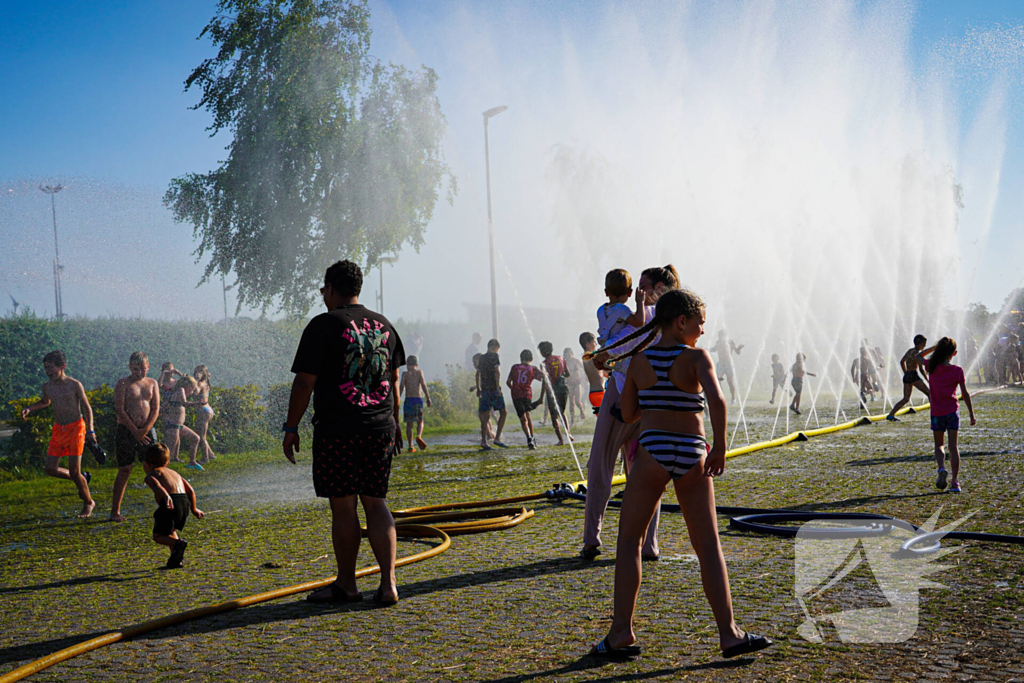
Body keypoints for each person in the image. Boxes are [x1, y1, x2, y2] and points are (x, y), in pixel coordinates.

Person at [588, 289, 772, 660]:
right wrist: (719, 447)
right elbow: (717, 401)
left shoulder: (640, 360)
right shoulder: (696, 357)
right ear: (681, 321)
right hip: (692, 453)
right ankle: (729, 633)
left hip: (653, 452)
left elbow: (628, 414)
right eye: (700, 324)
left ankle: (621, 632)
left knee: (628, 543)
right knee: (707, 545)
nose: (703, 332)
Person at [283, 260, 406, 605]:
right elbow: (393, 382)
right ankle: (388, 585)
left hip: (339, 428)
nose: (323, 296)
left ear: (332, 289)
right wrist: (394, 422)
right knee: (376, 502)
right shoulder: (385, 325)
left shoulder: (324, 325)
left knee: (344, 506)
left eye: (324, 290)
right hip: (380, 425)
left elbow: (305, 381)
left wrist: (291, 427)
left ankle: (348, 585)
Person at [579, 264, 679, 562]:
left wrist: (601, 356)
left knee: (601, 465)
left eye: (645, 286)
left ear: (660, 289)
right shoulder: (668, 322)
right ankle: (649, 543)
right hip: (651, 403)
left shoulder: (646, 319)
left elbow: (616, 349)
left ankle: (591, 539)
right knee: (647, 472)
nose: (640, 292)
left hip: (622, 397)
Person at [20, 350, 97, 518]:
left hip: (76, 428)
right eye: (46, 368)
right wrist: (29, 408)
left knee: (74, 471)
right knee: (50, 469)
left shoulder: (74, 384)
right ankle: (82, 478)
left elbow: (87, 408)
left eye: (51, 368)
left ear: (62, 367)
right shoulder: (46, 387)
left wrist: (90, 430)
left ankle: (88, 502)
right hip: (58, 429)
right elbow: (45, 402)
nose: (48, 372)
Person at [111, 351, 160, 523]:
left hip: (147, 430)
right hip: (126, 430)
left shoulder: (152, 383)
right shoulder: (123, 383)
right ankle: (115, 511)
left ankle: (164, 504)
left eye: (142, 369)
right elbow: (120, 409)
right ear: (130, 367)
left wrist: (145, 429)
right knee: (125, 469)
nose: (139, 372)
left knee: (154, 468)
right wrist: (134, 430)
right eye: (135, 369)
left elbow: (155, 409)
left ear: (148, 367)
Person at [143, 443, 204, 568]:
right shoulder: (175, 473)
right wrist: (193, 509)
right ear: (167, 463)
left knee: (158, 536)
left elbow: (156, 486)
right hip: (184, 502)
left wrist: (166, 496)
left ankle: (177, 544)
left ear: (147, 463)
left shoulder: (152, 474)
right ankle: (176, 559)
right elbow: (190, 490)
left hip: (170, 503)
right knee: (172, 531)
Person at [928, 337, 975, 494]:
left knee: (938, 445)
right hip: (952, 412)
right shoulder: (957, 370)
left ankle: (941, 468)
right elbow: (965, 394)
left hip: (936, 413)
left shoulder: (931, 367)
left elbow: (917, 357)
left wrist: (934, 348)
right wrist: (971, 414)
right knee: (953, 447)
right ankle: (955, 482)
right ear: (954, 354)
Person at [886, 335, 933, 421]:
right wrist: (927, 380)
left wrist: (905, 373)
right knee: (930, 394)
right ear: (920, 344)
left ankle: (891, 415)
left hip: (907, 375)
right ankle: (935, 414)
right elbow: (921, 369)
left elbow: (902, 361)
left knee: (906, 398)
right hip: (913, 376)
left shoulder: (910, 351)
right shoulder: (917, 354)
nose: (925, 346)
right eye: (924, 344)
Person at [507, 350, 546, 449]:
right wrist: (542, 396)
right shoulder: (532, 369)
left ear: (520, 358)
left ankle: (529, 439)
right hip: (527, 394)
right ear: (532, 359)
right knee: (527, 414)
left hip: (516, 395)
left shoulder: (515, 367)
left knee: (523, 418)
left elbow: (508, 382)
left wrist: (514, 389)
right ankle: (532, 438)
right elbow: (546, 378)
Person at [164, 375, 203, 470]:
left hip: (179, 426)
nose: (192, 392)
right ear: (187, 386)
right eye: (192, 389)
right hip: (173, 426)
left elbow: (165, 405)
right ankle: (162, 469)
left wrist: (162, 411)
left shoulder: (175, 392)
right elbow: (184, 403)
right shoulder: (180, 389)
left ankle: (192, 462)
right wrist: (197, 403)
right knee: (170, 451)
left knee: (196, 438)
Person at [539, 341, 573, 446]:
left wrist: (541, 396)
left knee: (554, 416)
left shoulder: (544, 364)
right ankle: (569, 434)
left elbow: (545, 381)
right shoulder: (561, 358)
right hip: (563, 388)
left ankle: (561, 440)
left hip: (553, 390)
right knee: (562, 412)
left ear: (543, 352)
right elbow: (567, 373)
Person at [476, 339, 508, 450]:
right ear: (495, 347)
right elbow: (496, 371)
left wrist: (478, 388)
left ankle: (484, 441)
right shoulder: (495, 356)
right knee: (503, 413)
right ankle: (497, 438)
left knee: (485, 416)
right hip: (493, 389)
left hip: (484, 389)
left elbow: (477, 373)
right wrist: (498, 387)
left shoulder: (482, 358)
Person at [399, 355, 431, 452]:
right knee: (420, 421)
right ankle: (419, 436)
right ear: (416, 365)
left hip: (409, 400)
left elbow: (401, 387)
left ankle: (410, 446)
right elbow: (424, 385)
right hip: (418, 399)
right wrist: (428, 398)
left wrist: (397, 399)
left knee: (409, 425)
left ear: (407, 364)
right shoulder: (419, 372)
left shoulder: (405, 374)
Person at [710, 330, 744, 404]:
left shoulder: (730, 342)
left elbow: (737, 352)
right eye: (719, 335)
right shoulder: (718, 342)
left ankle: (733, 398)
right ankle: (721, 396)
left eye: (721, 335)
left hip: (729, 364)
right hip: (721, 363)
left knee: (730, 382)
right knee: (717, 380)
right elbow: (714, 349)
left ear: (725, 335)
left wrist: (739, 349)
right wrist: (707, 349)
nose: (720, 337)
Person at [192, 365, 216, 465]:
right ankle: (210, 454)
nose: (196, 374)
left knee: (202, 437)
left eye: (199, 373)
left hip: (203, 411)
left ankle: (205, 458)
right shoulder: (206, 383)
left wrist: (195, 381)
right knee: (199, 434)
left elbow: (195, 392)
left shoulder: (200, 383)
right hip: (207, 409)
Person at [580, 332, 606, 415]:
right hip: (599, 393)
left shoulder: (586, 358)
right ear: (588, 345)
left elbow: (600, 373)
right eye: (594, 342)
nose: (596, 344)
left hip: (594, 393)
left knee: (604, 421)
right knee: (606, 420)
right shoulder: (591, 356)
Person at [564, 347, 587, 427]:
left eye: (569, 354)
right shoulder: (564, 362)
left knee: (577, 401)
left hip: (577, 383)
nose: (568, 356)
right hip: (569, 383)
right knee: (571, 402)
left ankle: (582, 412)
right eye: (566, 354)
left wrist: (585, 377)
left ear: (572, 354)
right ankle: (572, 420)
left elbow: (584, 368)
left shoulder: (576, 361)